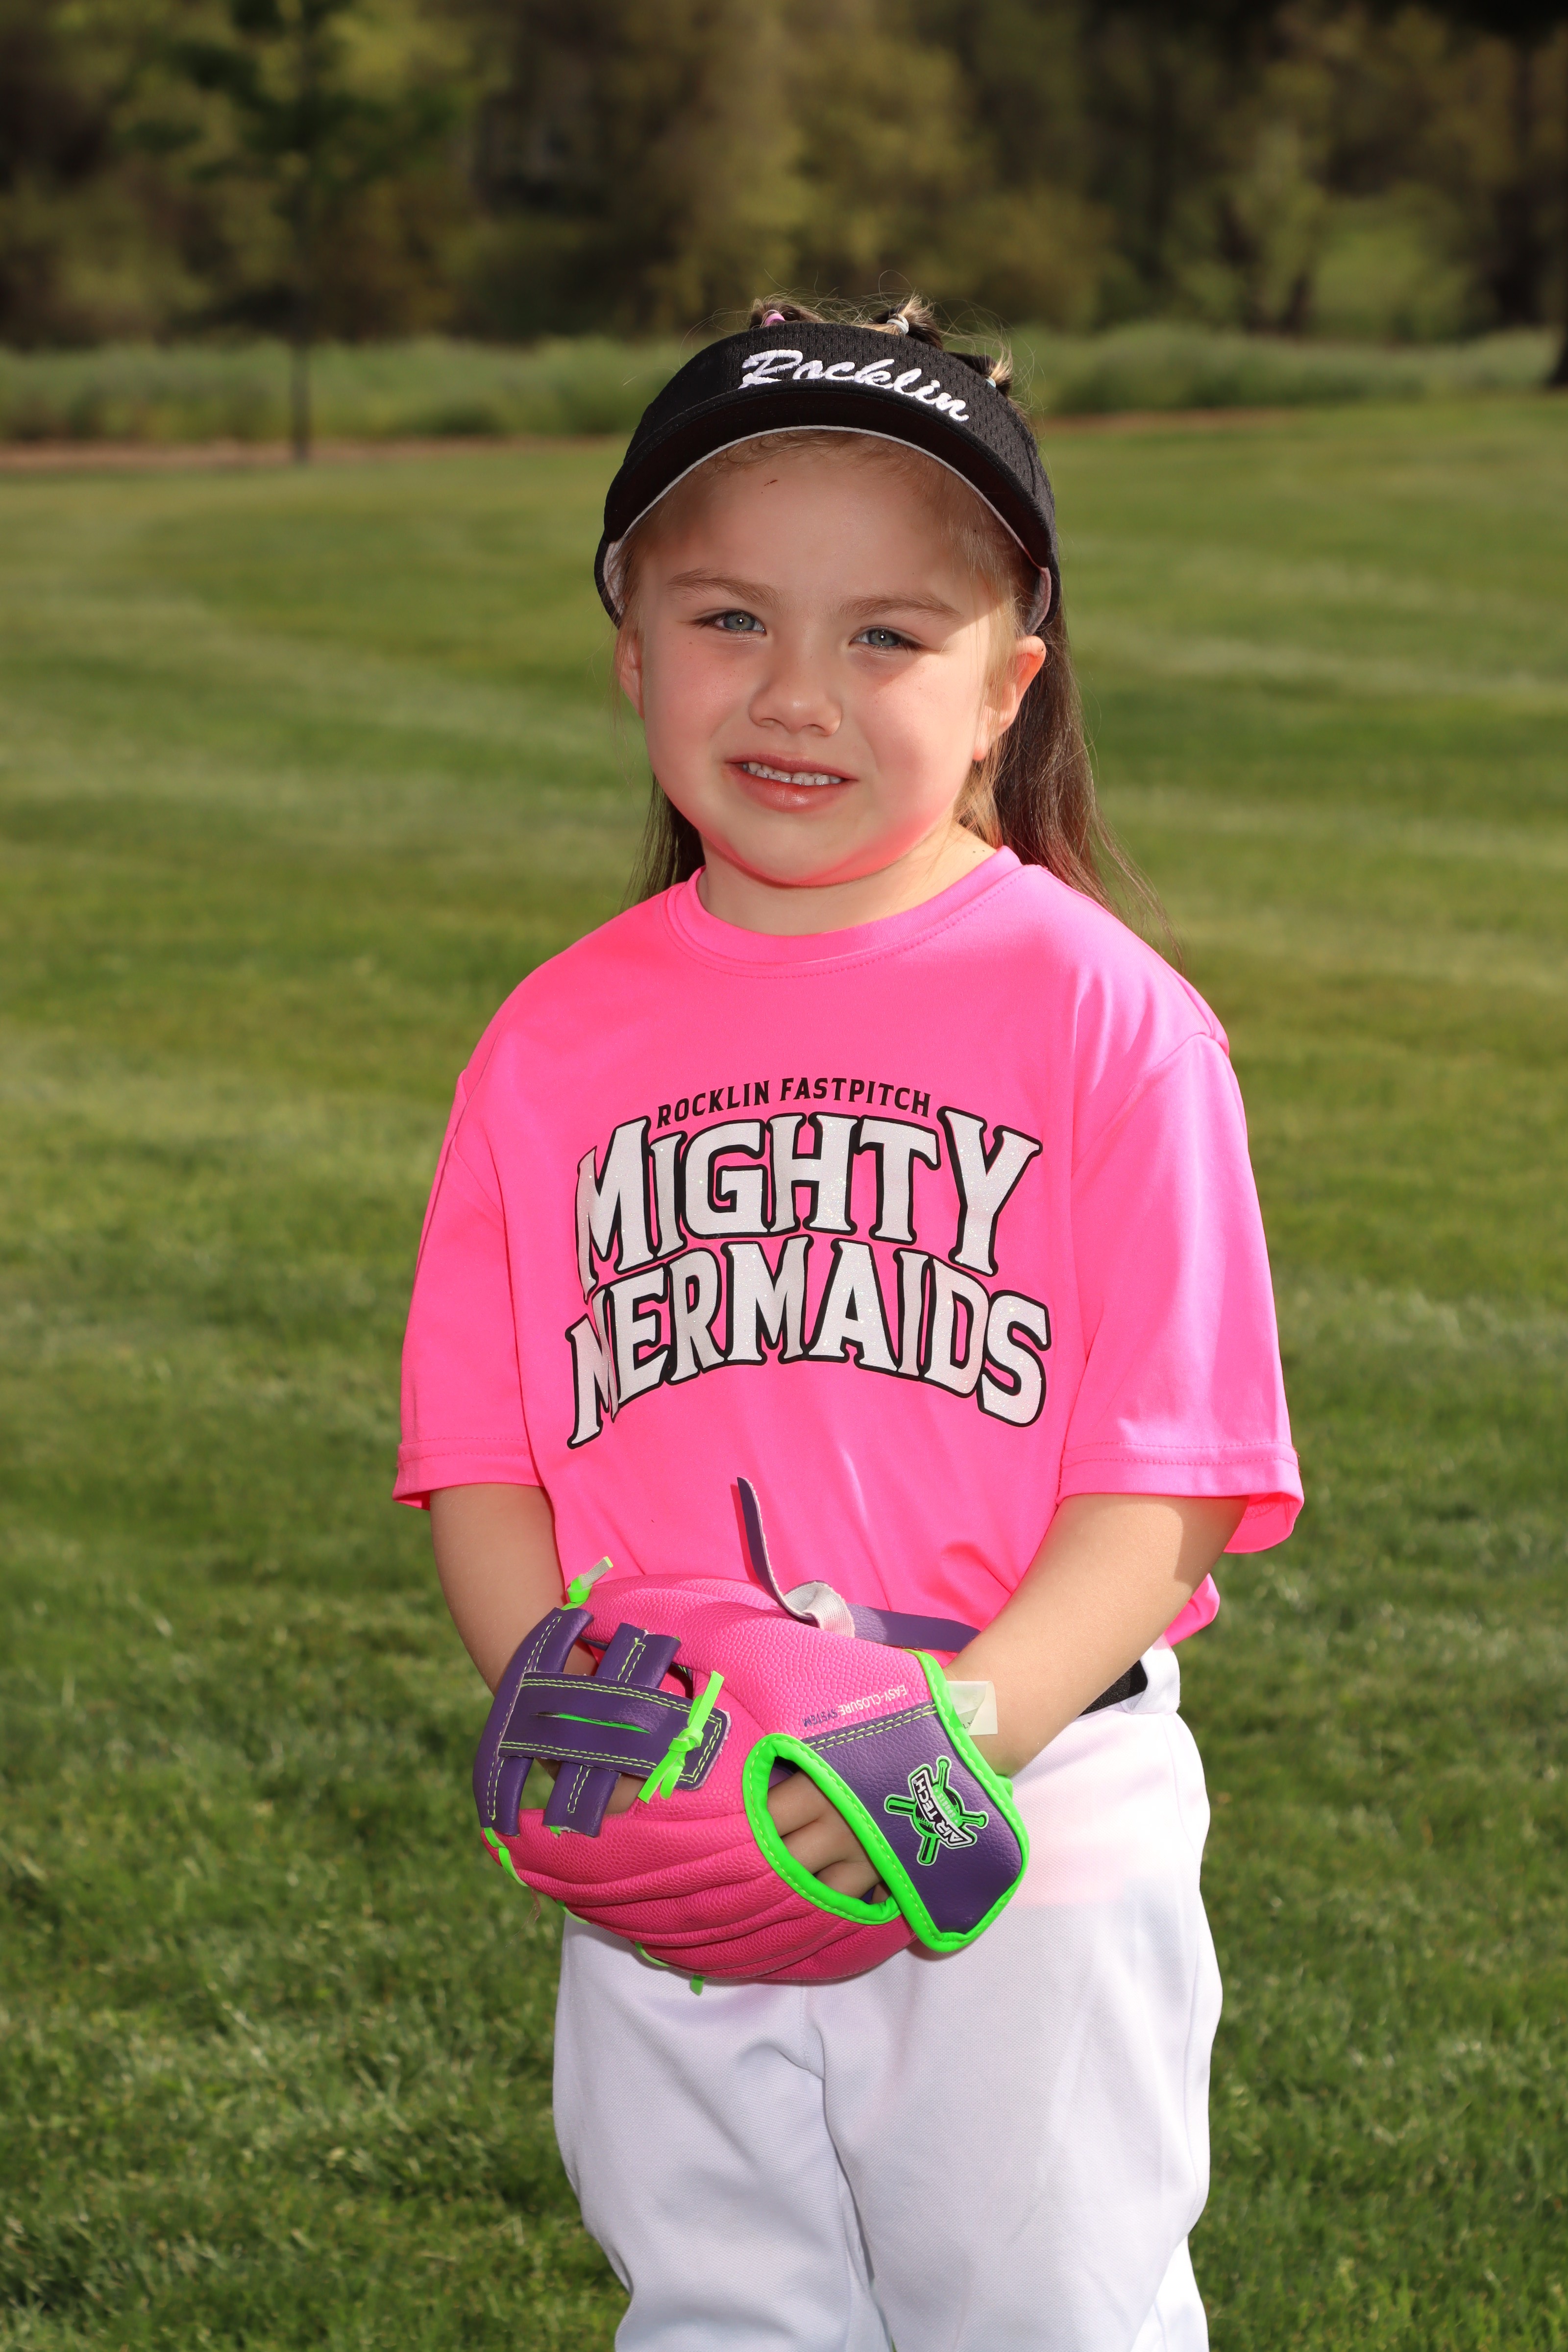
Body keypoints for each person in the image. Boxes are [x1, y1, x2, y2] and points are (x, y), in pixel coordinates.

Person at [395, 293, 1302, 2352]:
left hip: (1017, 1805)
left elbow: (1167, 1485)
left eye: (886, 635)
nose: (794, 691)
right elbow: (483, 1455)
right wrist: (568, 1709)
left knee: (1043, 2312)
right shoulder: (554, 1041)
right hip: (681, 1789)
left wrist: (952, 1733)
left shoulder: (1106, 1021)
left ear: (1004, 690)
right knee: (724, 2308)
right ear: (631, 648)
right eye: (728, 618)